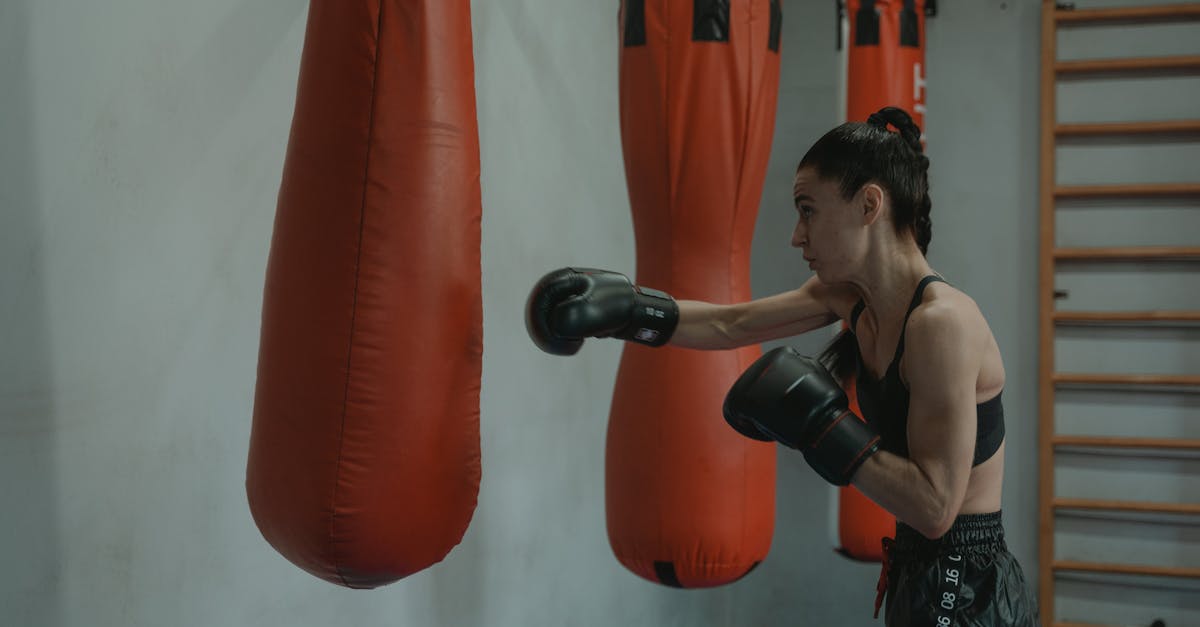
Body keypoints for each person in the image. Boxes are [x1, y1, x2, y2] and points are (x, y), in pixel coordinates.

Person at [525, 106, 1037, 626]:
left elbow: (934, 509)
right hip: (913, 569)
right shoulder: (848, 298)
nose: (796, 235)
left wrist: (825, 427)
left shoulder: (942, 325)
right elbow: (730, 324)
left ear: (869, 204)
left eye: (808, 210)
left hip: (968, 585)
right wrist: (632, 313)